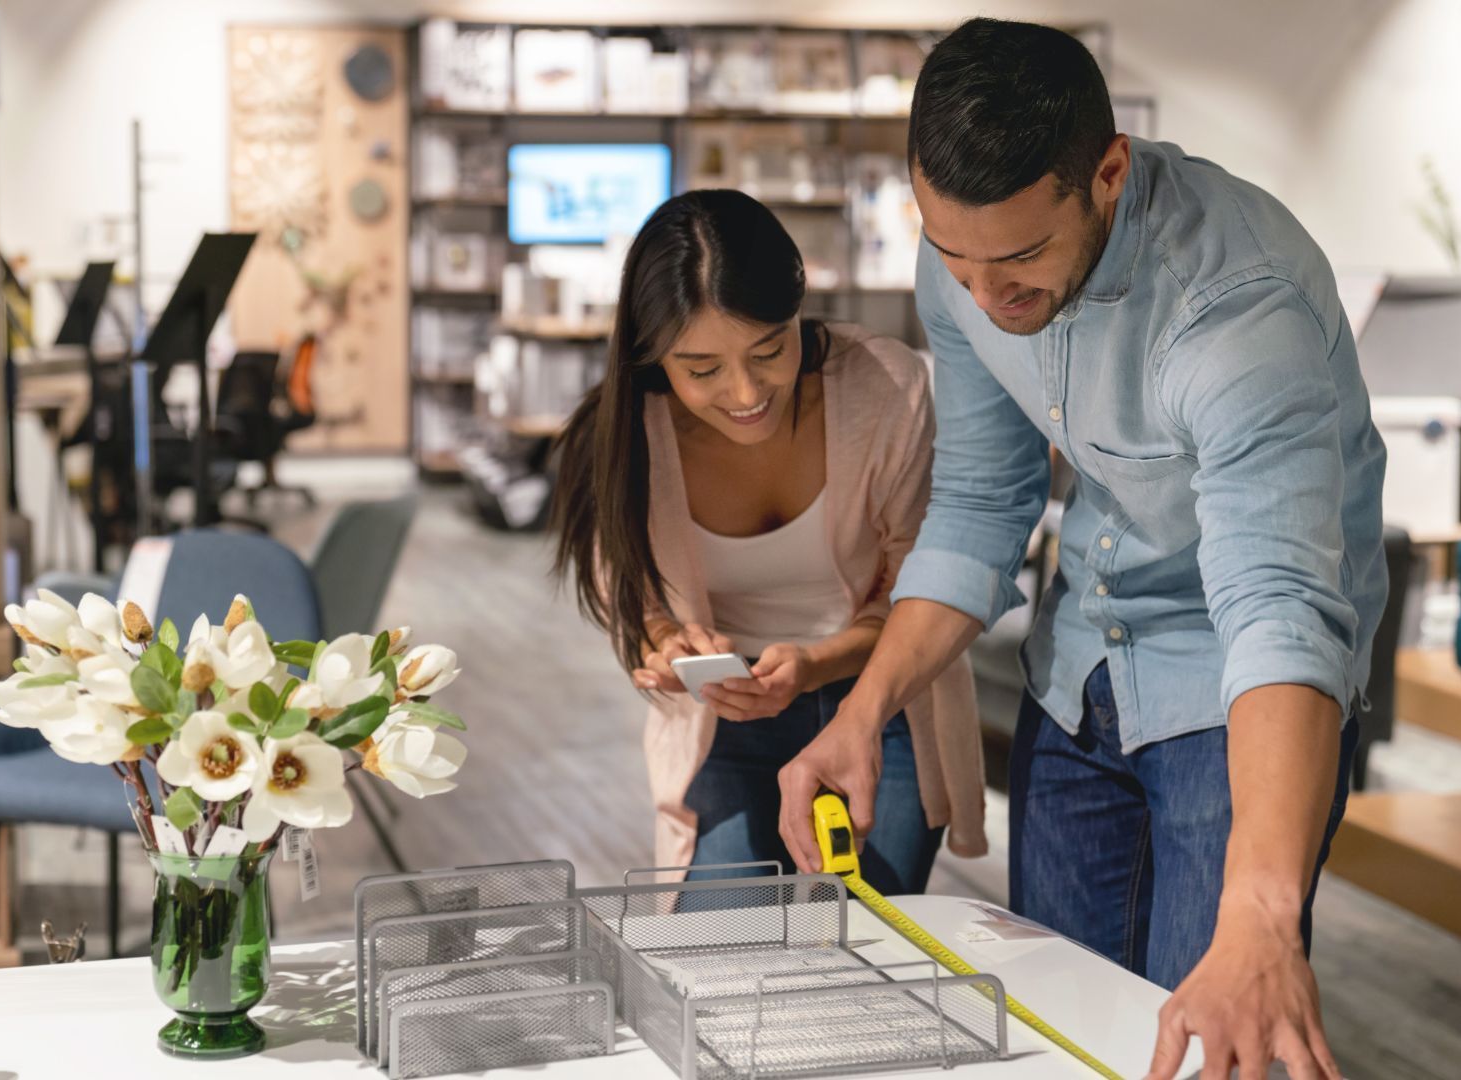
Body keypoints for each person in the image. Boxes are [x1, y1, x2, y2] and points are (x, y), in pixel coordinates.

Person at [775, 19, 1387, 1080]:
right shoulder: (961, 263)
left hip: (1233, 688)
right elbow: (978, 501)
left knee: (1206, 1042)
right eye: (953, 256)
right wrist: (864, 715)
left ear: (1109, 172)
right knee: (1056, 1037)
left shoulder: (1236, 314)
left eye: (1018, 259)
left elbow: (1280, 609)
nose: (984, 297)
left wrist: (1260, 914)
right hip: (1082, 665)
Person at [550, 189, 986, 895]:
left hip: (880, 706)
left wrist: (817, 665)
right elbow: (628, 593)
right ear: (653, 354)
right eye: (702, 370)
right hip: (722, 724)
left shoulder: (882, 387)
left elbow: (921, 585)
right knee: (722, 956)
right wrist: (664, 646)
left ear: (798, 309)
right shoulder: (625, 434)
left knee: (863, 945)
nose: (747, 391)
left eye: (769, 349)